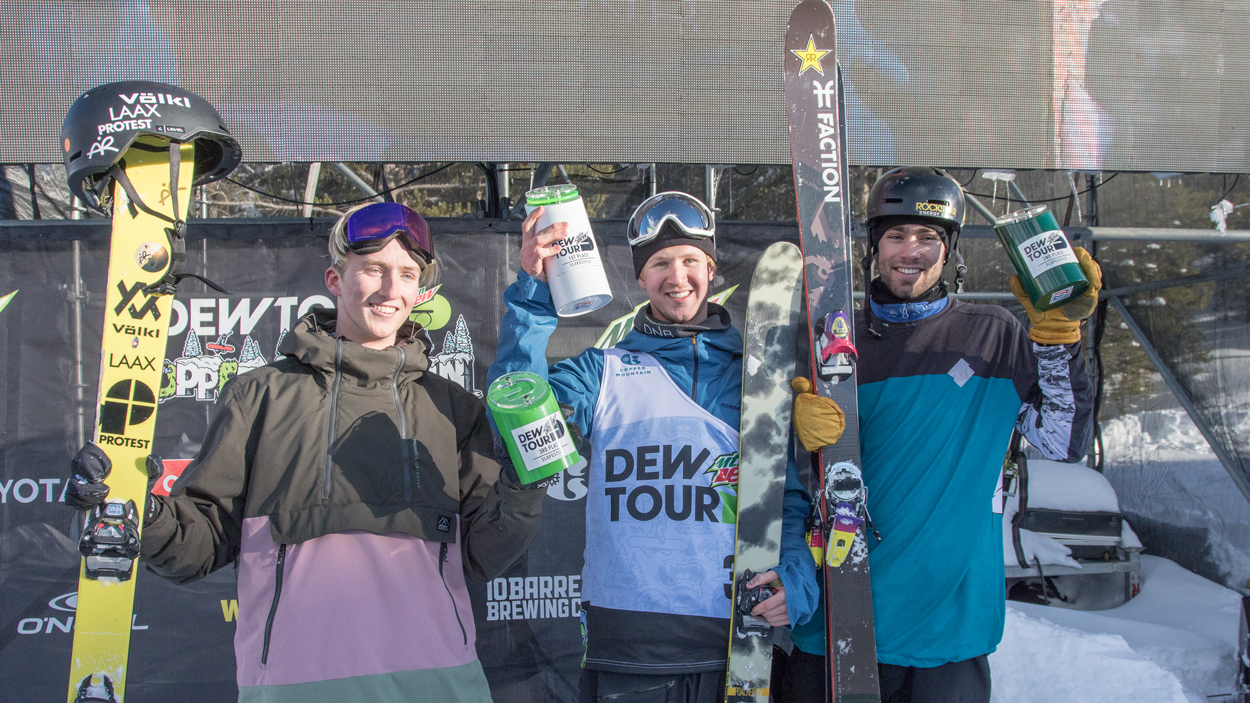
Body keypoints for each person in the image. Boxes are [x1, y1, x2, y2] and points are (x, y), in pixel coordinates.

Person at [66, 202, 547, 703]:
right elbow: (199, 545)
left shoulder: (453, 407)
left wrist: (525, 486)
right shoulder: (259, 396)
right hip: (294, 688)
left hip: (440, 686)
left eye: (406, 274)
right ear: (335, 280)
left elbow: (486, 554)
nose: (391, 290)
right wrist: (132, 506)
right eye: (374, 270)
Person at [488, 192, 828, 703]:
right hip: (629, 654)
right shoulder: (602, 372)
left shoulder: (755, 380)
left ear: (710, 269)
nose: (677, 277)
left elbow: (787, 504)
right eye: (660, 264)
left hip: (737, 650)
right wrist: (535, 291)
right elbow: (516, 424)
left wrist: (796, 583)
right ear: (641, 279)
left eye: (691, 260)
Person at [783, 167, 1100, 703]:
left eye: (928, 237)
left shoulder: (993, 335)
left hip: (944, 631)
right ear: (873, 247)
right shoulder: (832, 340)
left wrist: (1058, 339)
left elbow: (1061, 441)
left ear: (949, 250)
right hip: (835, 617)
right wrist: (793, 432)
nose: (911, 251)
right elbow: (780, 479)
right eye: (896, 235)